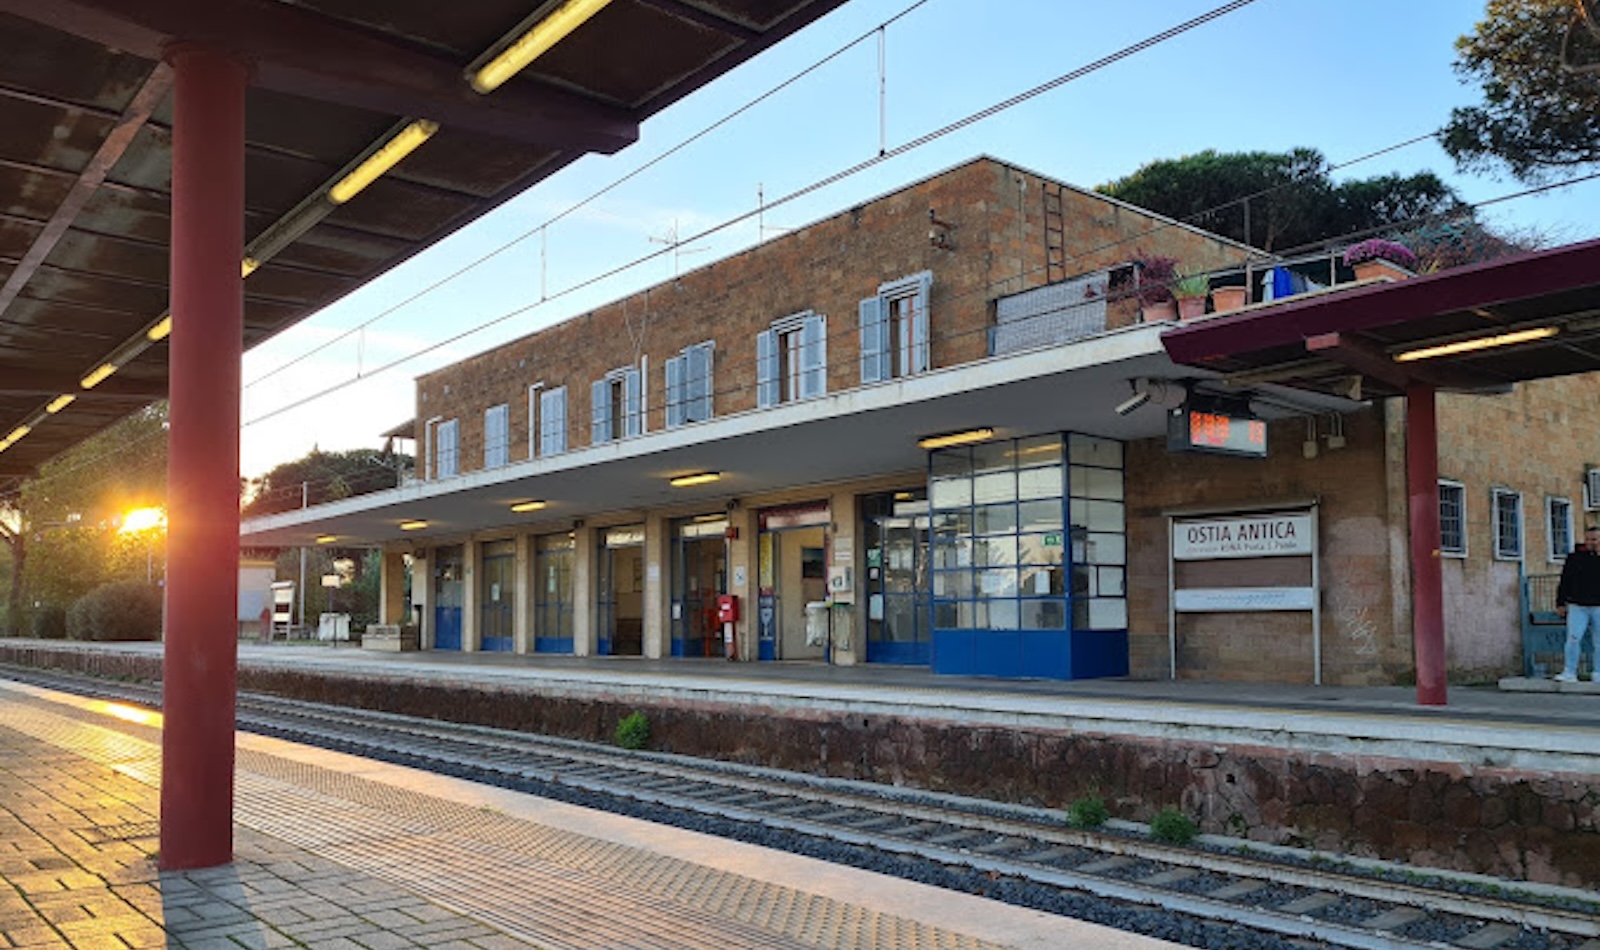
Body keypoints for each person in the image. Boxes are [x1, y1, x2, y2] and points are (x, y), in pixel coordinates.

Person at [1554, 524, 1600, 682]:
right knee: (1573, 638)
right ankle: (1569, 671)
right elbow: (1564, 580)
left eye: (1594, 539)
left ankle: (1598, 673)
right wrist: (1561, 602)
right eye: (1588, 539)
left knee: (1599, 641)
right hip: (1577, 605)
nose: (1591, 543)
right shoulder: (1575, 557)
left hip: (1599, 606)